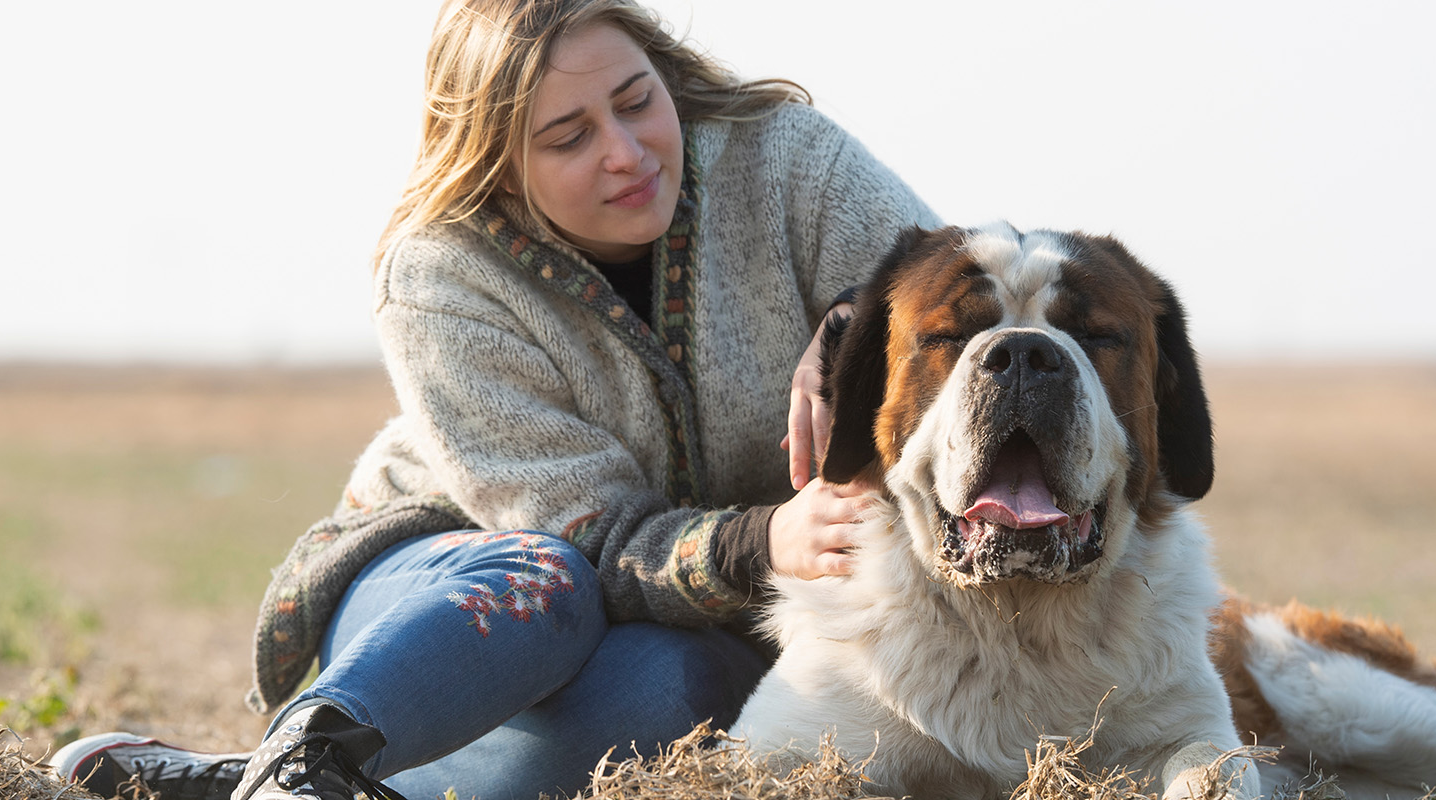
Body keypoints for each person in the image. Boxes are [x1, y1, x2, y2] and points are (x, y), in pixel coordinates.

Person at [50, 1, 938, 798]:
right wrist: (763, 540)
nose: (625, 153)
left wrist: (853, 327)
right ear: (498, 164)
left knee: (692, 692)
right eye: (567, 137)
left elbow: (947, 289)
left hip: (700, 613)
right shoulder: (438, 276)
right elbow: (585, 540)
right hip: (454, 591)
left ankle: (272, 787)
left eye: (636, 101)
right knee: (542, 584)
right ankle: (305, 760)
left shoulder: (787, 154)